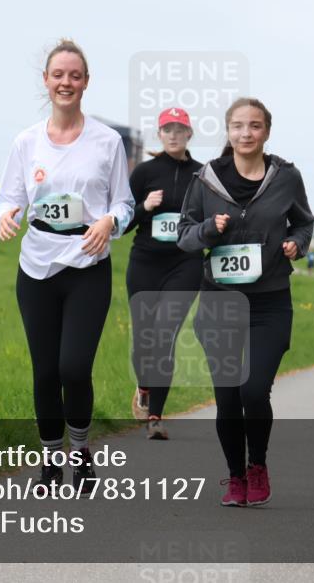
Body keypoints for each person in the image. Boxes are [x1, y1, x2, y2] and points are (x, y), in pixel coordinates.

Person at [0, 39, 134, 491]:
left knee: (74, 367)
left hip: (87, 264)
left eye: (75, 75)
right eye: (58, 75)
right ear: (46, 81)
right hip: (36, 266)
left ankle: (81, 450)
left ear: (86, 83)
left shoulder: (107, 141)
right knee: (45, 371)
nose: (66, 82)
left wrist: (109, 221)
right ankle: (51, 460)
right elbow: (5, 204)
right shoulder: (26, 142)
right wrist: (3, 220)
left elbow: (125, 205)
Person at [178, 97, 314, 507]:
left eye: (255, 126)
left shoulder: (286, 177)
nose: (246, 133)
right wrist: (207, 229)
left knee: (254, 391)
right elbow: (184, 235)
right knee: (227, 398)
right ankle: (235, 477)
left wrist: (297, 244)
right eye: (238, 126)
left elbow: (304, 222)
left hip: (269, 302)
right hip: (219, 302)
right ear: (228, 131)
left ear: (266, 132)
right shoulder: (206, 179)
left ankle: (258, 465)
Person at [125, 107, 203, 440]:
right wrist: (145, 207)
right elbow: (122, 222)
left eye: (179, 129)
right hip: (145, 263)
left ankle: (156, 416)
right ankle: (144, 387)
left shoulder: (203, 175)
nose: (173, 135)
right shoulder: (144, 173)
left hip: (185, 264)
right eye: (167, 130)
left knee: (164, 334)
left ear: (189, 134)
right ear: (160, 135)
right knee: (144, 339)